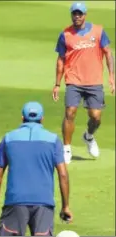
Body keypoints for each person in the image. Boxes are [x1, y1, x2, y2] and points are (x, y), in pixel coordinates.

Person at [0, 102, 73, 236]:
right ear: (42, 118)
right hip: (44, 202)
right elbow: (63, 175)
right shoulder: (54, 140)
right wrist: (65, 206)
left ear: (22, 118)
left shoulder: (8, 139)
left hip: (15, 201)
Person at [52, 2, 115, 164]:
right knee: (70, 112)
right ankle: (67, 148)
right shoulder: (65, 34)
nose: (77, 17)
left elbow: (108, 53)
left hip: (94, 81)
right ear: (71, 15)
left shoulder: (98, 31)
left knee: (96, 117)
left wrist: (112, 77)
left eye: (80, 14)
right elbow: (60, 60)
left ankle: (88, 136)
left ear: (85, 15)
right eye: (74, 14)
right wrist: (57, 84)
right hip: (73, 80)